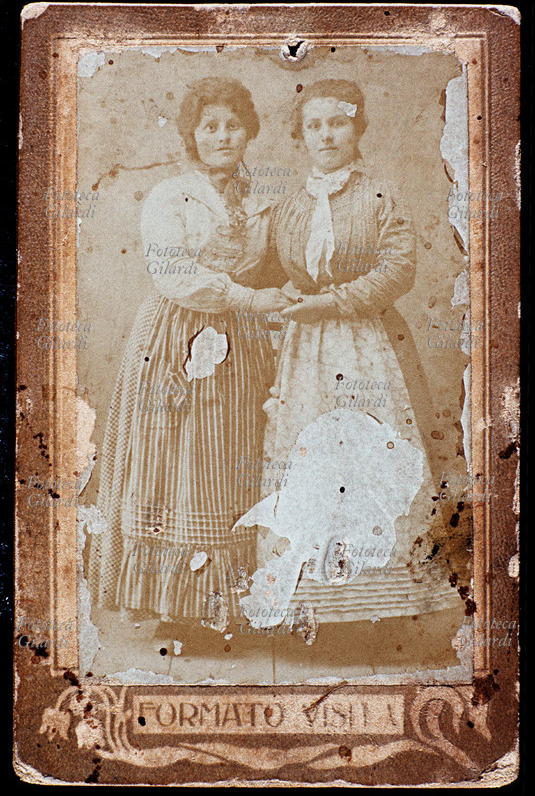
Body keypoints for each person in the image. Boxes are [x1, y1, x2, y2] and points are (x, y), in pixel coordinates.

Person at [87, 77, 293, 638]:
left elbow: (277, 265)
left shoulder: (263, 198)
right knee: (178, 461)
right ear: (193, 136)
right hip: (176, 339)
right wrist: (249, 296)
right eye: (210, 127)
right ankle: (176, 606)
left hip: (244, 344)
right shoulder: (170, 196)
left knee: (231, 459)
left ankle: (234, 604)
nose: (223, 136)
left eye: (233, 125)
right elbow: (175, 274)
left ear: (249, 131)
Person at [261, 79, 460, 624]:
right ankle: (310, 608)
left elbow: (398, 269)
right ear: (300, 136)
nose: (326, 135)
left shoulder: (379, 195)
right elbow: (271, 267)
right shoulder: (288, 206)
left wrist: (331, 303)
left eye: (338, 123)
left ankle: (380, 604)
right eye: (314, 125)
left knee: (369, 455)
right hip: (305, 352)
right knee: (312, 459)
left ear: (358, 129)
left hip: (368, 344)